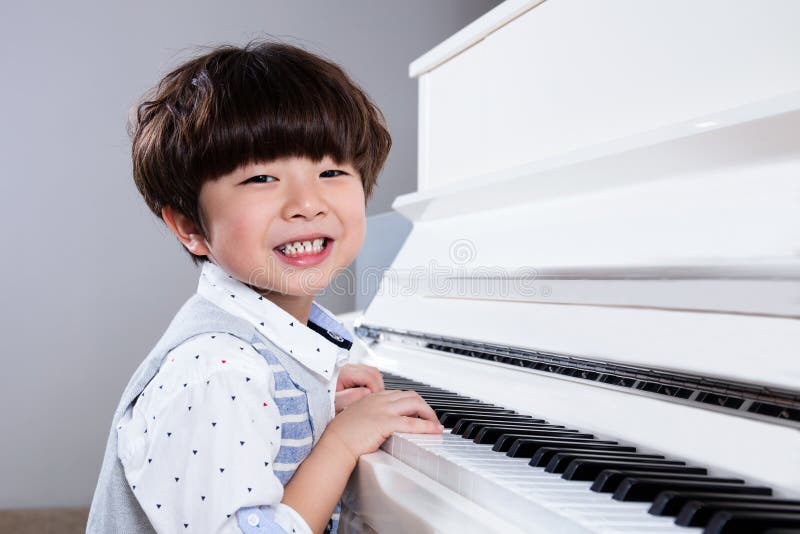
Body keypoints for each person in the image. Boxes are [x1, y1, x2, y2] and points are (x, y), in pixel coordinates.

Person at [86, 40, 443, 534]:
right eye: (262, 178)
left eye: (331, 171)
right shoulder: (218, 372)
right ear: (190, 225)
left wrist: (317, 412)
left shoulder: (255, 358)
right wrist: (340, 441)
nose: (307, 203)